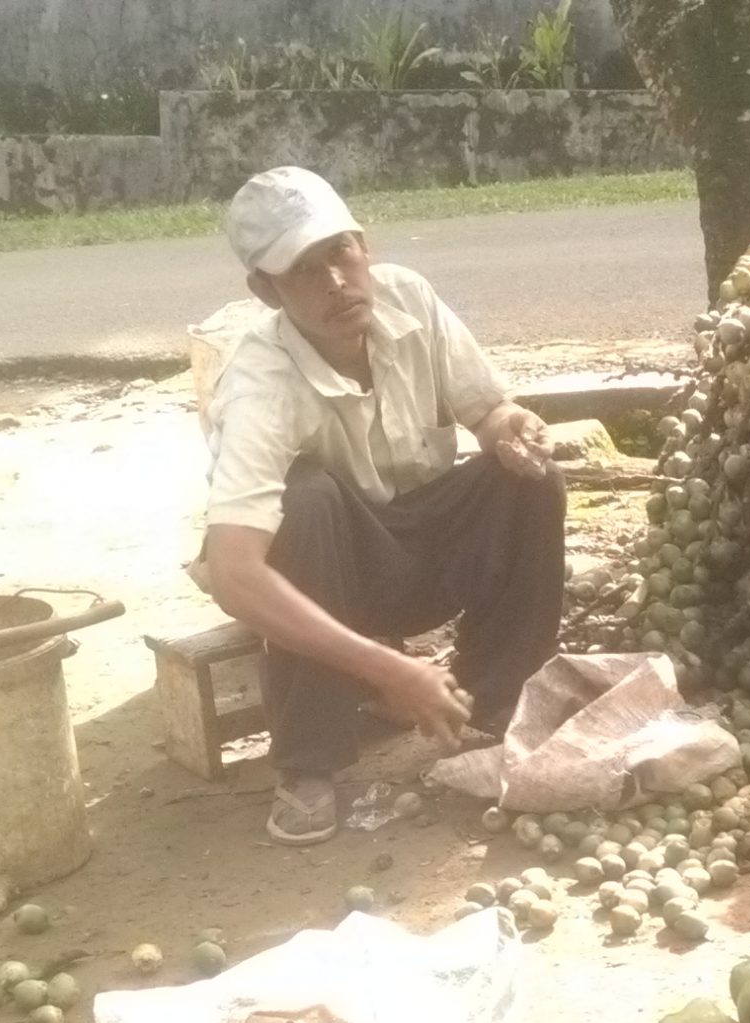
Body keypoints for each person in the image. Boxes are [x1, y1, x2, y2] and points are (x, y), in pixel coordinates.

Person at [200, 166, 566, 844]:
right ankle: (309, 762)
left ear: (364, 245)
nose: (336, 282)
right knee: (303, 502)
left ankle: (490, 702)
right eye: (303, 270)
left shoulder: (410, 299)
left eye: (340, 252)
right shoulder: (259, 382)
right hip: (335, 575)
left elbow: (486, 410)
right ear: (264, 290)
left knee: (530, 478)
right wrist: (388, 669)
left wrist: (509, 426)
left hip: (423, 539)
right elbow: (233, 573)